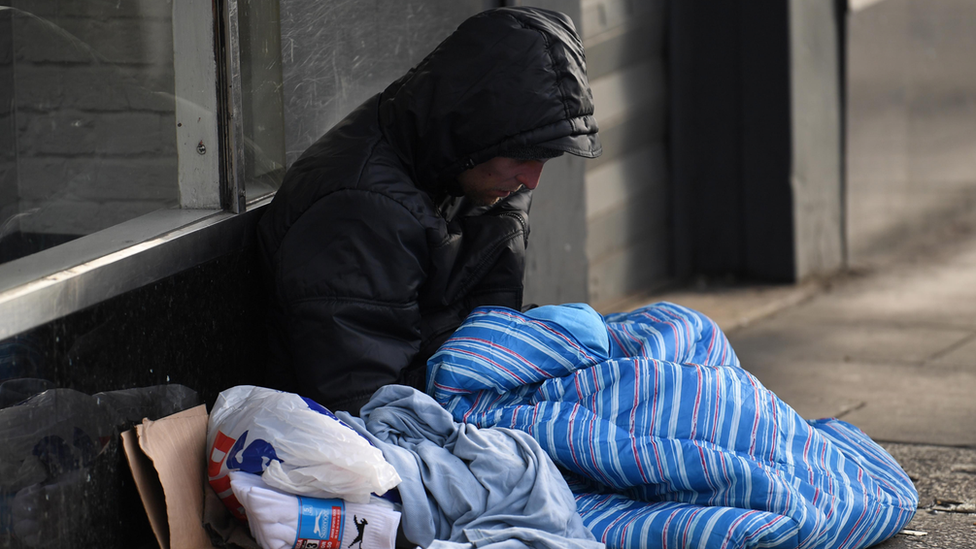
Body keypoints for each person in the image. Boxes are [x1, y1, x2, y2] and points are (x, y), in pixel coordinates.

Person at [256, 7, 601, 415]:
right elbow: (368, 406)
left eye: (546, 157)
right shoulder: (362, 211)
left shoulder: (470, 173)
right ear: (473, 130)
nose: (533, 179)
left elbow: (486, 318)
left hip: (442, 385)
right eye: (523, 155)